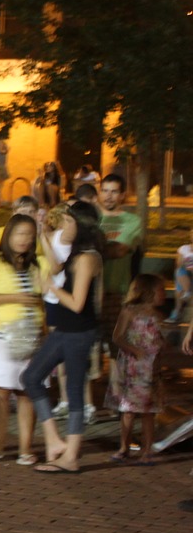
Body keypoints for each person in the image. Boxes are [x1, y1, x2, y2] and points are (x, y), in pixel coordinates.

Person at [21, 201, 104, 473]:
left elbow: (78, 302)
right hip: (66, 329)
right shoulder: (77, 254)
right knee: (31, 377)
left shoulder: (87, 257)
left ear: (81, 225)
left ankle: (71, 456)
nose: (64, 225)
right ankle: (54, 440)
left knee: (74, 390)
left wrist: (51, 290)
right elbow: (57, 269)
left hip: (78, 330)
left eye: (69, 221)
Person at [0, 214, 47, 465]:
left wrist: (47, 237)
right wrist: (16, 298)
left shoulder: (39, 264)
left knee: (27, 391)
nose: (25, 240)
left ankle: (25, 449)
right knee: (0, 394)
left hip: (32, 335)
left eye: (30, 234)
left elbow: (55, 280)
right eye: (20, 234)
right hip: (0, 335)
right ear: (8, 235)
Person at [106, 273, 165, 464]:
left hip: (151, 368)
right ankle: (124, 446)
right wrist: (135, 350)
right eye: (160, 290)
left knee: (149, 411)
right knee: (129, 410)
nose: (163, 294)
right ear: (147, 292)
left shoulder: (158, 315)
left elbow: (159, 340)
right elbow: (117, 336)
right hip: (133, 367)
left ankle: (147, 449)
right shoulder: (130, 311)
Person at [98, 173, 142, 345]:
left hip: (116, 293)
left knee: (118, 348)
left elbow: (119, 250)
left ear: (123, 195)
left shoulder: (132, 221)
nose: (108, 196)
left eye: (114, 191)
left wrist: (89, 252)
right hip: (88, 294)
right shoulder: (92, 218)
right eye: (105, 190)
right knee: (90, 353)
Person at [170, 226, 193, 323]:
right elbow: (178, 263)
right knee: (180, 270)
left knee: (179, 277)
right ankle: (187, 292)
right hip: (185, 275)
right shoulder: (183, 248)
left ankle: (177, 310)